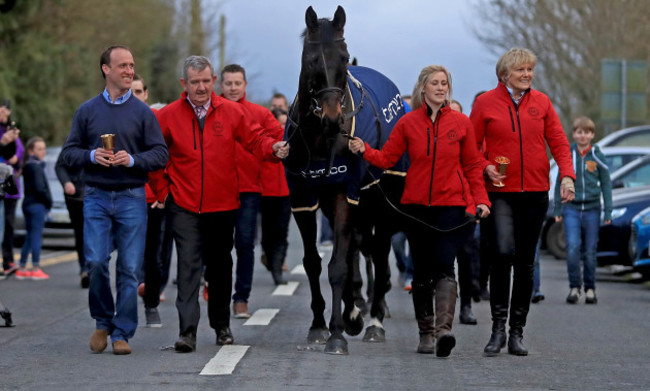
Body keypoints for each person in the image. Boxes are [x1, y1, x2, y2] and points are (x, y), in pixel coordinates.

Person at [149, 55, 288, 353]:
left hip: (223, 204)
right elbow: (153, 154)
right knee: (187, 266)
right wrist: (163, 191)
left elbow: (255, 140)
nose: (200, 87)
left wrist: (274, 148)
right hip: (183, 204)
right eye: (194, 82)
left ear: (214, 82)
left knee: (221, 267)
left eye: (205, 81)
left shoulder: (232, 112)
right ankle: (187, 332)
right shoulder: (168, 116)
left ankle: (221, 326)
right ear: (184, 84)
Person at [350, 65, 491, 358]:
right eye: (435, 83)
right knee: (423, 272)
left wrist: (481, 200)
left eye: (444, 83)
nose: (441, 88)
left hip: (452, 206)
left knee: (444, 265)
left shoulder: (462, 123)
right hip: (415, 208)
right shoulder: (408, 123)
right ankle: (425, 333)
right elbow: (387, 158)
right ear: (422, 89)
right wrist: (364, 149)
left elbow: (473, 166)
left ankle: (443, 331)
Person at [60, 45, 169, 355]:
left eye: (132, 65)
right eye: (122, 65)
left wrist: (132, 160)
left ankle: (122, 332)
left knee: (130, 268)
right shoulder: (87, 111)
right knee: (94, 262)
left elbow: (160, 154)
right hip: (95, 195)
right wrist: (92, 155)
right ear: (105, 69)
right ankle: (102, 321)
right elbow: (69, 153)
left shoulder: (143, 113)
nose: (129, 71)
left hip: (132, 196)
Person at [470, 47, 575, 357]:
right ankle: (498, 328)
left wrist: (567, 176)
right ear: (505, 75)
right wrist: (485, 165)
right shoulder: (485, 103)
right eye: (521, 70)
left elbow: (558, 141)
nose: (527, 75)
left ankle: (517, 331)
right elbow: (471, 147)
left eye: (530, 70)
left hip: (535, 193)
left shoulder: (542, 103)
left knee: (526, 263)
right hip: (500, 193)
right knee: (502, 254)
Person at [220, 64, 286, 319]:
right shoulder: (211, 111)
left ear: (245, 85)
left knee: (245, 244)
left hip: (248, 190)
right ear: (221, 85)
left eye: (238, 83)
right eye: (228, 83)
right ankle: (217, 292)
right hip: (217, 190)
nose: (233, 88)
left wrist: (281, 146)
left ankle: (241, 299)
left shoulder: (258, 113)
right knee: (218, 247)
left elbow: (280, 136)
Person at [554, 116, 612, 305]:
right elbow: (559, 181)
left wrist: (608, 211)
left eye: (586, 132)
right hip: (571, 207)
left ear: (592, 135)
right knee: (572, 248)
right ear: (574, 134)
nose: (583, 136)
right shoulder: (568, 154)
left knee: (590, 250)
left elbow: (606, 183)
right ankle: (574, 287)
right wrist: (557, 208)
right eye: (579, 132)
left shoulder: (596, 154)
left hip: (592, 209)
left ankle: (590, 288)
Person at [131, 73, 172, 327]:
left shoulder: (156, 120)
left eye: (138, 92)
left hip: (153, 198)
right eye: (130, 91)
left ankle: (152, 304)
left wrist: (162, 193)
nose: (134, 97)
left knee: (153, 255)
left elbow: (164, 157)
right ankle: (122, 306)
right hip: (125, 196)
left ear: (146, 95)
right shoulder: (116, 119)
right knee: (123, 255)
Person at [259, 103, 291, 285]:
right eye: (279, 124)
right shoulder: (266, 142)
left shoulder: (292, 141)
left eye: (285, 125)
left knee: (282, 232)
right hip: (266, 192)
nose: (282, 129)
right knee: (267, 233)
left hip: (286, 193)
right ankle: (270, 258)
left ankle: (277, 269)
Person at [15, 137, 51, 280]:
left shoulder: (27, 165)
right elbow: (40, 188)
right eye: (39, 149)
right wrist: (48, 202)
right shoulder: (36, 166)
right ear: (31, 151)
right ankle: (35, 268)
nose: (43, 152)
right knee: (36, 235)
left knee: (30, 236)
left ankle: (22, 267)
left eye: (44, 148)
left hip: (27, 203)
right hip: (37, 204)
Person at [56, 143, 88, 288]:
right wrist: (66, 182)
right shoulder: (73, 141)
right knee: (81, 233)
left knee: (97, 232)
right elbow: (60, 166)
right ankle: (85, 269)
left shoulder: (103, 137)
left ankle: (95, 268)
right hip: (75, 198)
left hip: (96, 195)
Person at [0, 99, 23, 276]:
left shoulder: (12, 131)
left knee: (8, 223)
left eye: (5, 111)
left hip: (9, 181)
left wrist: (16, 159)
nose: (3, 114)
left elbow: (20, 155)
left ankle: (8, 260)